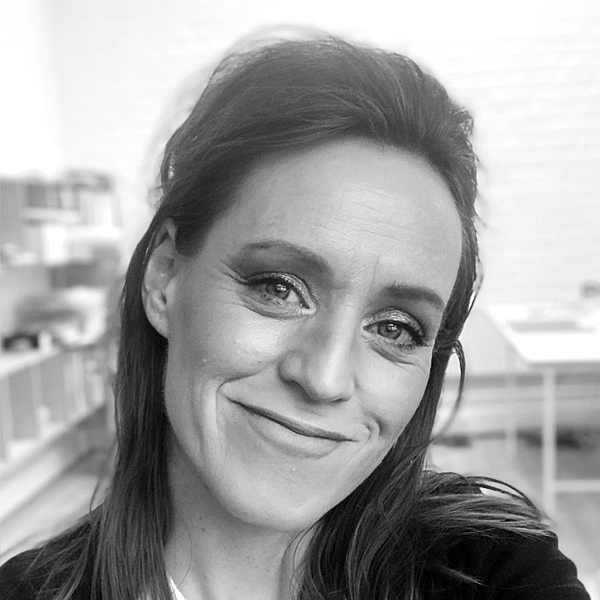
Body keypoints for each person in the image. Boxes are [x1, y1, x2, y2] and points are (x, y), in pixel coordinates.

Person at [0, 34, 590, 600]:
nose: (325, 379)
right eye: (278, 288)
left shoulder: (495, 571)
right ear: (166, 277)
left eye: (395, 328)